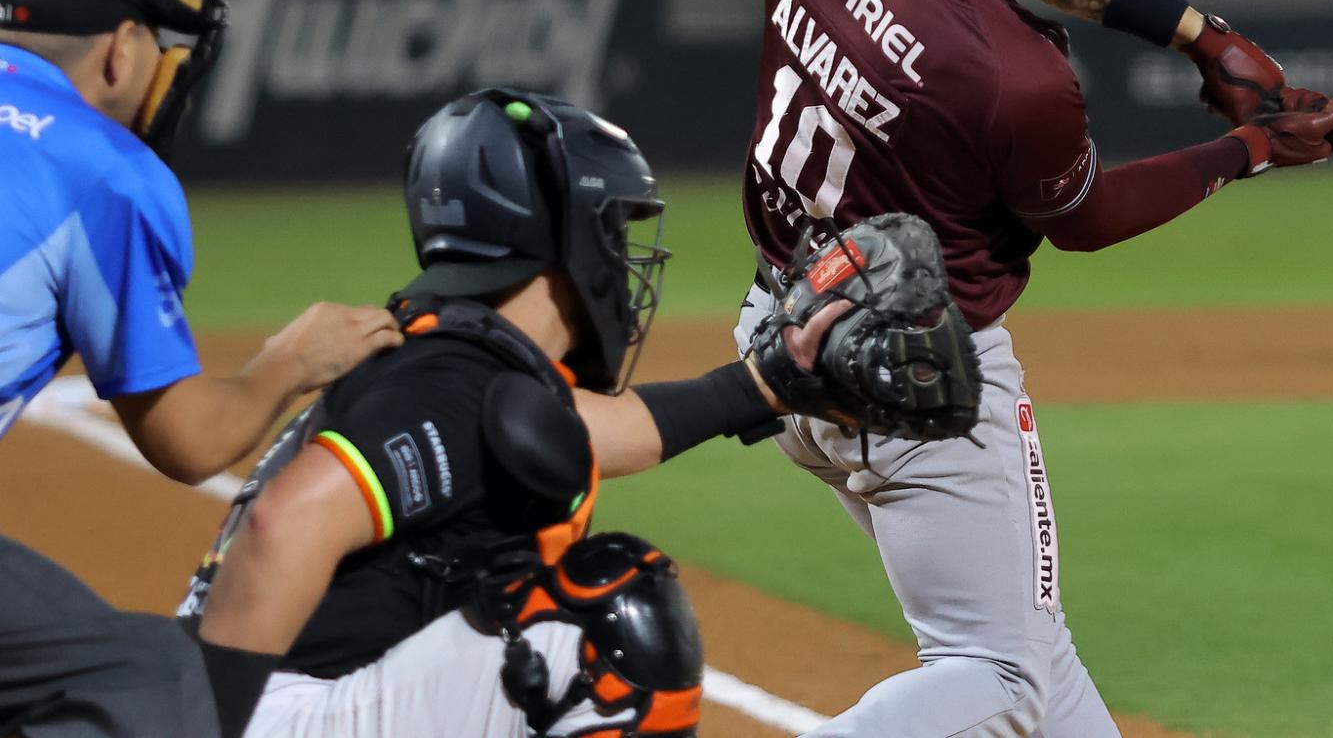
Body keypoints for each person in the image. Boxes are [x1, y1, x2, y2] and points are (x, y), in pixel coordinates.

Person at [736, 0, 1333, 736]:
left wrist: (1202, 37)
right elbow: (1088, 220)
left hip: (780, 331)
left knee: (1031, 650)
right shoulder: (1010, 77)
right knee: (1000, 676)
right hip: (919, 381)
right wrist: (1249, 150)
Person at [185, 88, 919, 738]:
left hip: (293, 696)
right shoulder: (446, 381)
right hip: (258, 710)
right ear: (562, 238)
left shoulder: (460, 360)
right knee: (606, 622)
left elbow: (591, 430)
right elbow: (283, 524)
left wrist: (763, 384)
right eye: (612, 229)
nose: (622, 258)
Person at [0, 0, 402, 738]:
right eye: (164, 44)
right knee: (152, 679)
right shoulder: (106, 170)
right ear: (121, 47)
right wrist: (291, 360)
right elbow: (188, 441)